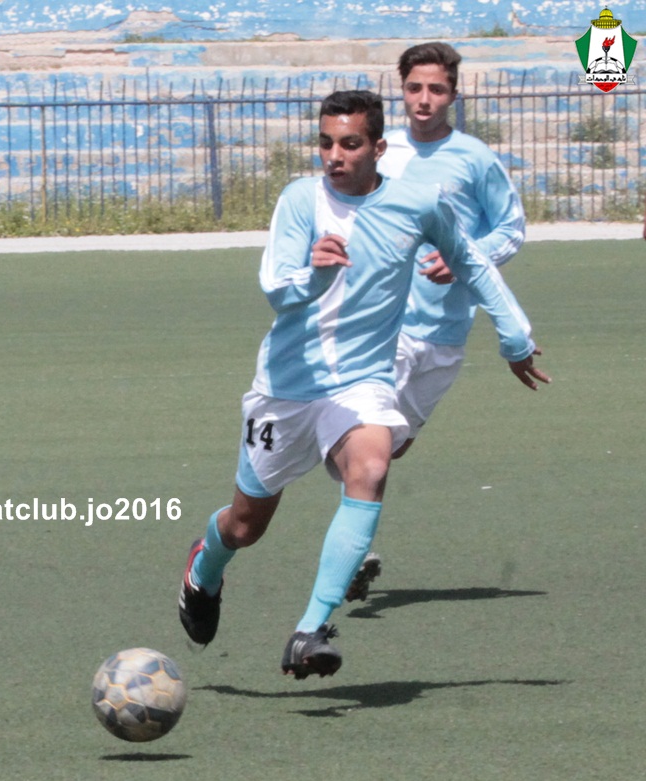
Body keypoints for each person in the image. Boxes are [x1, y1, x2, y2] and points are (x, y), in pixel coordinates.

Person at [176, 90, 549, 680]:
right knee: (246, 525)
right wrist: (314, 275)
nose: (334, 155)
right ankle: (205, 567)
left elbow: (471, 261)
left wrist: (514, 335)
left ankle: (311, 630)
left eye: (349, 144)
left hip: (362, 381)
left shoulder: (416, 203)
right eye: (326, 143)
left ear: (378, 148)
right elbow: (277, 288)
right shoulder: (301, 200)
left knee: (372, 466)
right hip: (286, 385)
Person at [344, 42, 528, 602]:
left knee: (392, 448)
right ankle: (353, 551)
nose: (424, 99)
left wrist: (465, 255)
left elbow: (511, 228)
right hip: (385, 325)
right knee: (370, 444)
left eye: (437, 89)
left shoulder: (474, 158)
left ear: (453, 94)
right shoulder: (382, 152)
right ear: (401, 90)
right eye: (414, 88)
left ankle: (353, 537)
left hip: (446, 334)